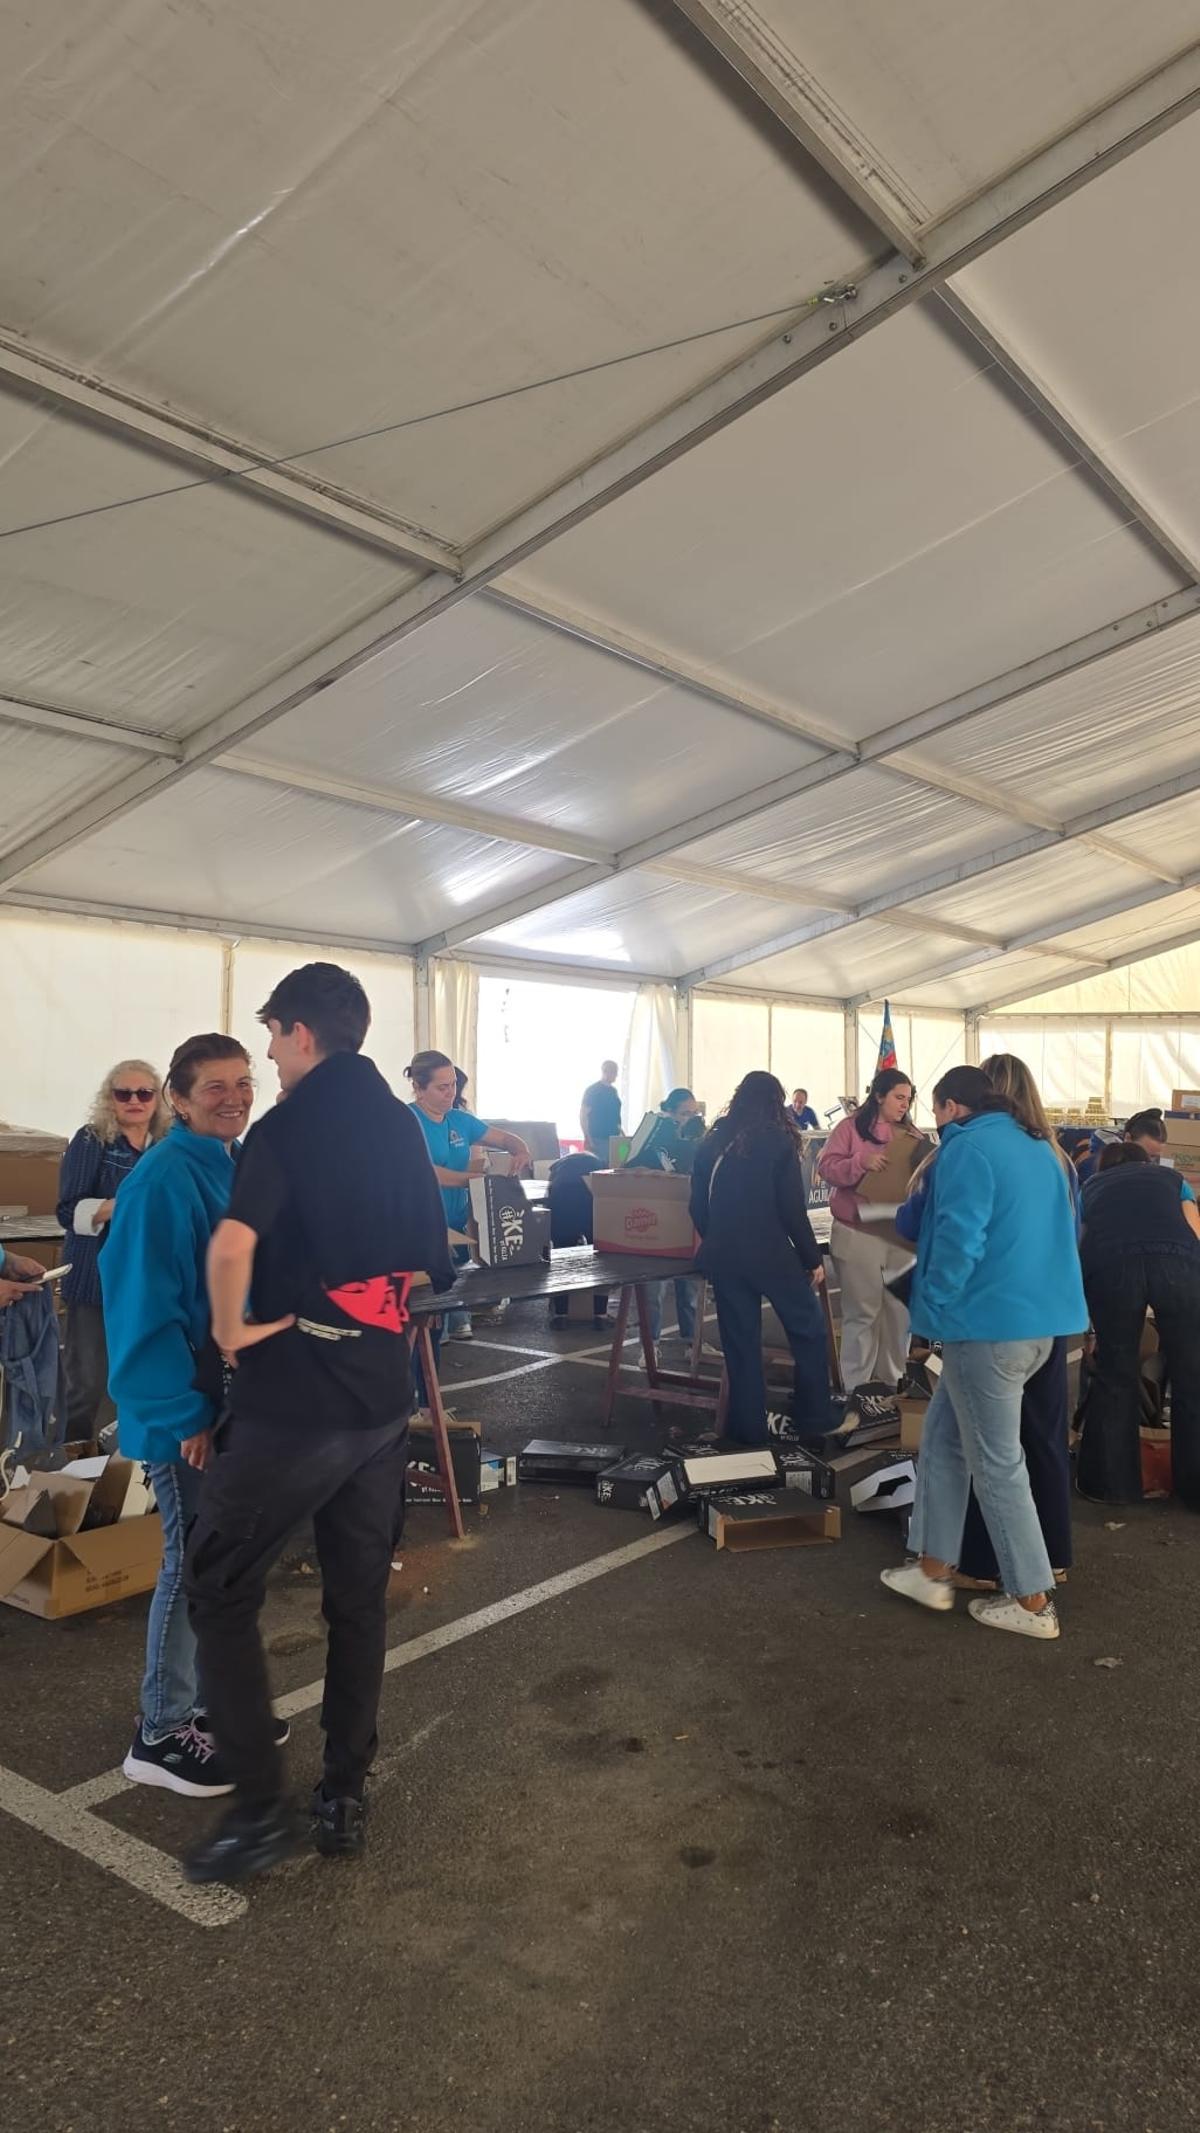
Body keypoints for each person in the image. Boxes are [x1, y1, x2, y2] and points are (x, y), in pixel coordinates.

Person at [184, 964, 454, 1885]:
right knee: (355, 1600)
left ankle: (259, 1810)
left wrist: (233, 1330)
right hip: (382, 1401)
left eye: (270, 1035)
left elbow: (231, 1242)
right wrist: (361, 1309)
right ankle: (342, 1793)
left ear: (301, 1032)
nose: (265, 1054)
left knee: (217, 1584)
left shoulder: (288, 1126)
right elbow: (428, 1267)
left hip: (297, 1404)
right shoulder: (397, 1123)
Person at [101, 1034, 260, 1798]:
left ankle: (200, 1705)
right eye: (214, 1085)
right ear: (180, 1095)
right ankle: (159, 1733)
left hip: (218, 1403)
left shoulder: (222, 1164)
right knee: (188, 1559)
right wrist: (182, 1413)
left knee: (212, 1556)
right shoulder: (163, 1178)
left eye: (243, 1080)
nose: (232, 1095)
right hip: (183, 1413)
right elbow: (143, 1309)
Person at [880, 1066, 1087, 1642]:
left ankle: (1031, 1599)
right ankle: (932, 1569)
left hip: (986, 1327)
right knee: (945, 1444)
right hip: (1039, 1325)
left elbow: (956, 1237)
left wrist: (930, 1314)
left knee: (998, 1464)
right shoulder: (1041, 1149)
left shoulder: (965, 1151)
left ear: (950, 1108)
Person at [690, 1073, 836, 1446]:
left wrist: (717, 1239)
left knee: (740, 1345)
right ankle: (814, 1418)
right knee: (809, 1330)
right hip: (771, 1254)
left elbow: (696, 1205)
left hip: (724, 1255)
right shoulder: (777, 1140)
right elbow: (791, 1209)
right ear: (776, 1102)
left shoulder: (713, 1139)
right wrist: (811, 1258)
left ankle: (747, 1433)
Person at [1076, 1143, 1200, 1507]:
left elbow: (1080, 1241)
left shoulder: (1090, 1188)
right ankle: (1194, 1491)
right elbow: (1194, 1229)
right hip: (1178, 1265)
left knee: (1117, 1372)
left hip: (1112, 1267)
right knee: (1192, 1373)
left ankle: (1111, 1486)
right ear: (1145, 1162)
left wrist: (1086, 1323)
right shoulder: (1172, 1179)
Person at [56, 1062, 171, 1440]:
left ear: (158, 1099)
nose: (135, 1101)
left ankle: (122, 1475)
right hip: (95, 1279)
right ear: (111, 1100)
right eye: (124, 1094)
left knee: (137, 1378)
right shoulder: (91, 1140)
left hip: (147, 1281)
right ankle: (71, 1465)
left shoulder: (168, 1144)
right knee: (86, 1382)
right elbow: (68, 1210)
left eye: (144, 1093)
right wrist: (123, 1204)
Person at [404, 1052, 532, 1344]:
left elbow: (504, 1138)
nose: (451, 1093)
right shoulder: (406, 1120)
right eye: (442, 1087)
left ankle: (437, 1361)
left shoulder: (461, 1120)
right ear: (419, 1087)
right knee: (425, 1315)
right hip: (422, 1227)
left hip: (458, 1223)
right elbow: (425, 1172)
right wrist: (476, 1180)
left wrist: (520, 1150)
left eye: (453, 1085)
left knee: (446, 1306)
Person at [817, 1068, 919, 1394]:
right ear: (879, 1095)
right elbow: (826, 1168)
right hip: (857, 1231)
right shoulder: (848, 1129)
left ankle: (892, 1385)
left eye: (908, 1098)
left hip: (899, 1233)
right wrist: (861, 1163)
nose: (904, 1104)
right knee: (862, 1313)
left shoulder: (913, 1134)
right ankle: (856, 1390)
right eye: (898, 1097)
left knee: (898, 1313)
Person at [641, 1089, 706, 1356]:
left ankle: (692, 1342)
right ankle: (650, 1346)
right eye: (684, 1113)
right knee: (653, 1291)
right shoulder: (652, 1141)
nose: (689, 1118)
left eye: (694, 1113)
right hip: (655, 1222)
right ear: (668, 1112)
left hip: (686, 1219)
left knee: (689, 1287)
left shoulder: (696, 1141)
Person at [1122, 1109, 1200, 1237]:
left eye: (1153, 1157)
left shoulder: (1177, 1184)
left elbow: (1195, 1234)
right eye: (1141, 1153)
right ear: (1128, 1138)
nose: (1145, 1161)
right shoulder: (1102, 1180)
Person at [581, 1060, 622, 1157]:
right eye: (614, 1072)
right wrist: (588, 1139)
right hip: (597, 1139)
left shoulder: (613, 1091)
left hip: (614, 1139)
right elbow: (583, 1115)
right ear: (606, 1072)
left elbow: (616, 1116)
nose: (616, 1076)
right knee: (601, 1168)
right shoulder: (593, 1090)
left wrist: (622, 1136)